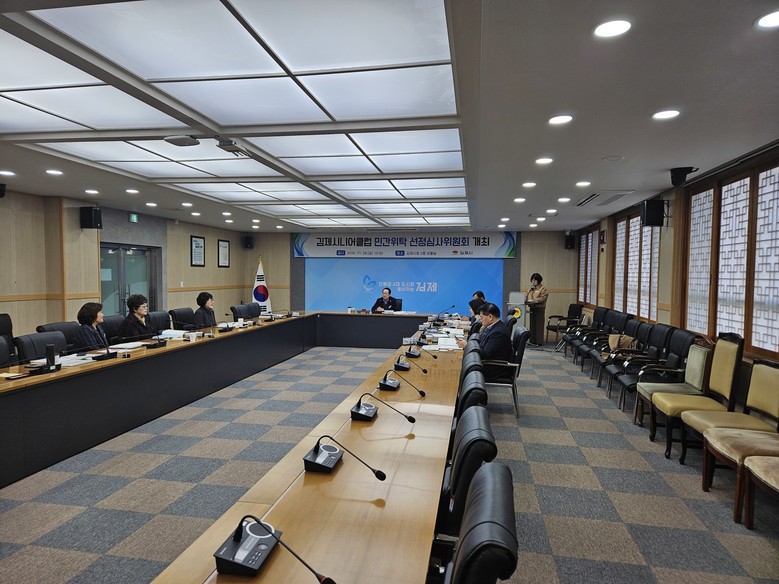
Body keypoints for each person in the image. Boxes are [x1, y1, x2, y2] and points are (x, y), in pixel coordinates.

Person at [525, 272, 549, 345]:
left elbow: (543, 298)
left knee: (539, 325)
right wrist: (527, 300)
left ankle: (539, 342)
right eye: (532, 280)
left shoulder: (543, 289)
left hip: (539, 309)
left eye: (535, 280)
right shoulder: (531, 288)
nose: (533, 282)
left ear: (539, 280)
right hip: (532, 308)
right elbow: (527, 296)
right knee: (532, 325)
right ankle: (532, 341)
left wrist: (534, 300)